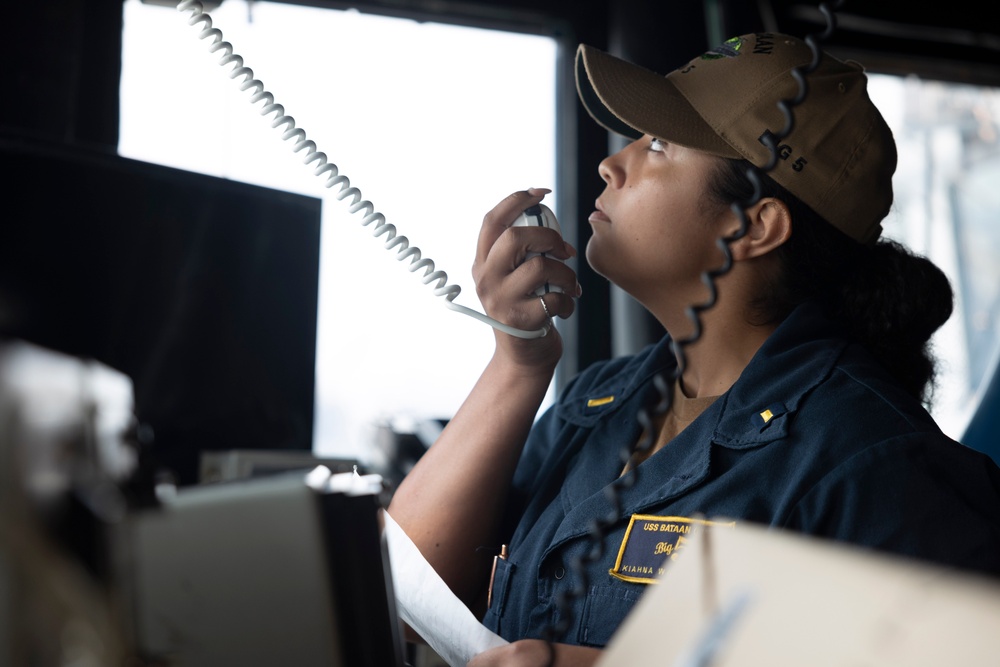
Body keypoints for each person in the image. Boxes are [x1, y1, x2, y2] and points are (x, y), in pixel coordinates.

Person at [387, 32, 1000, 666]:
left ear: (754, 227)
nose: (612, 164)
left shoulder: (872, 463)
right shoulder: (594, 405)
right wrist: (519, 362)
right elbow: (409, 599)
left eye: (658, 144)